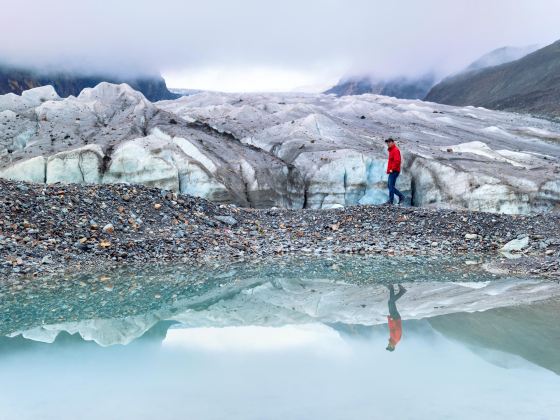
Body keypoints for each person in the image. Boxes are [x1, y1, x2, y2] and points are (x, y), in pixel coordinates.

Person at [386, 284, 406, 352]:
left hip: (393, 318)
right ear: (392, 346)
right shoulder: (396, 339)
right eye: (389, 346)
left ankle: (391, 288)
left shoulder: (392, 339)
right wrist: (392, 319)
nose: (388, 345)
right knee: (391, 302)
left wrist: (390, 319)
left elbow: (391, 328)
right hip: (395, 318)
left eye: (388, 346)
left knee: (390, 302)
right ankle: (402, 291)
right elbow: (397, 328)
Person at [385, 138, 405, 205]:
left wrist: (392, 169)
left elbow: (397, 161)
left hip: (394, 171)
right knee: (390, 186)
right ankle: (394, 199)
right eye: (387, 142)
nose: (388, 144)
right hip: (392, 171)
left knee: (390, 186)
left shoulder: (395, 150)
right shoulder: (391, 151)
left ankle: (392, 200)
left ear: (393, 142)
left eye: (389, 142)